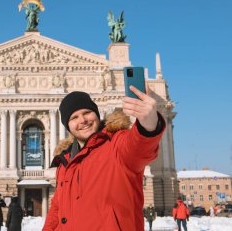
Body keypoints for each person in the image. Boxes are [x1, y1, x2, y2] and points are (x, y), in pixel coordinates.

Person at [42, 87, 165, 231]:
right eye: (74, 117)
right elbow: (57, 210)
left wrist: (148, 125)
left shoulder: (116, 144)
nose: (82, 120)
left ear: (97, 114)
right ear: (68, 126)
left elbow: (138, 147)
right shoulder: (65, 163)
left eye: (87, 113)